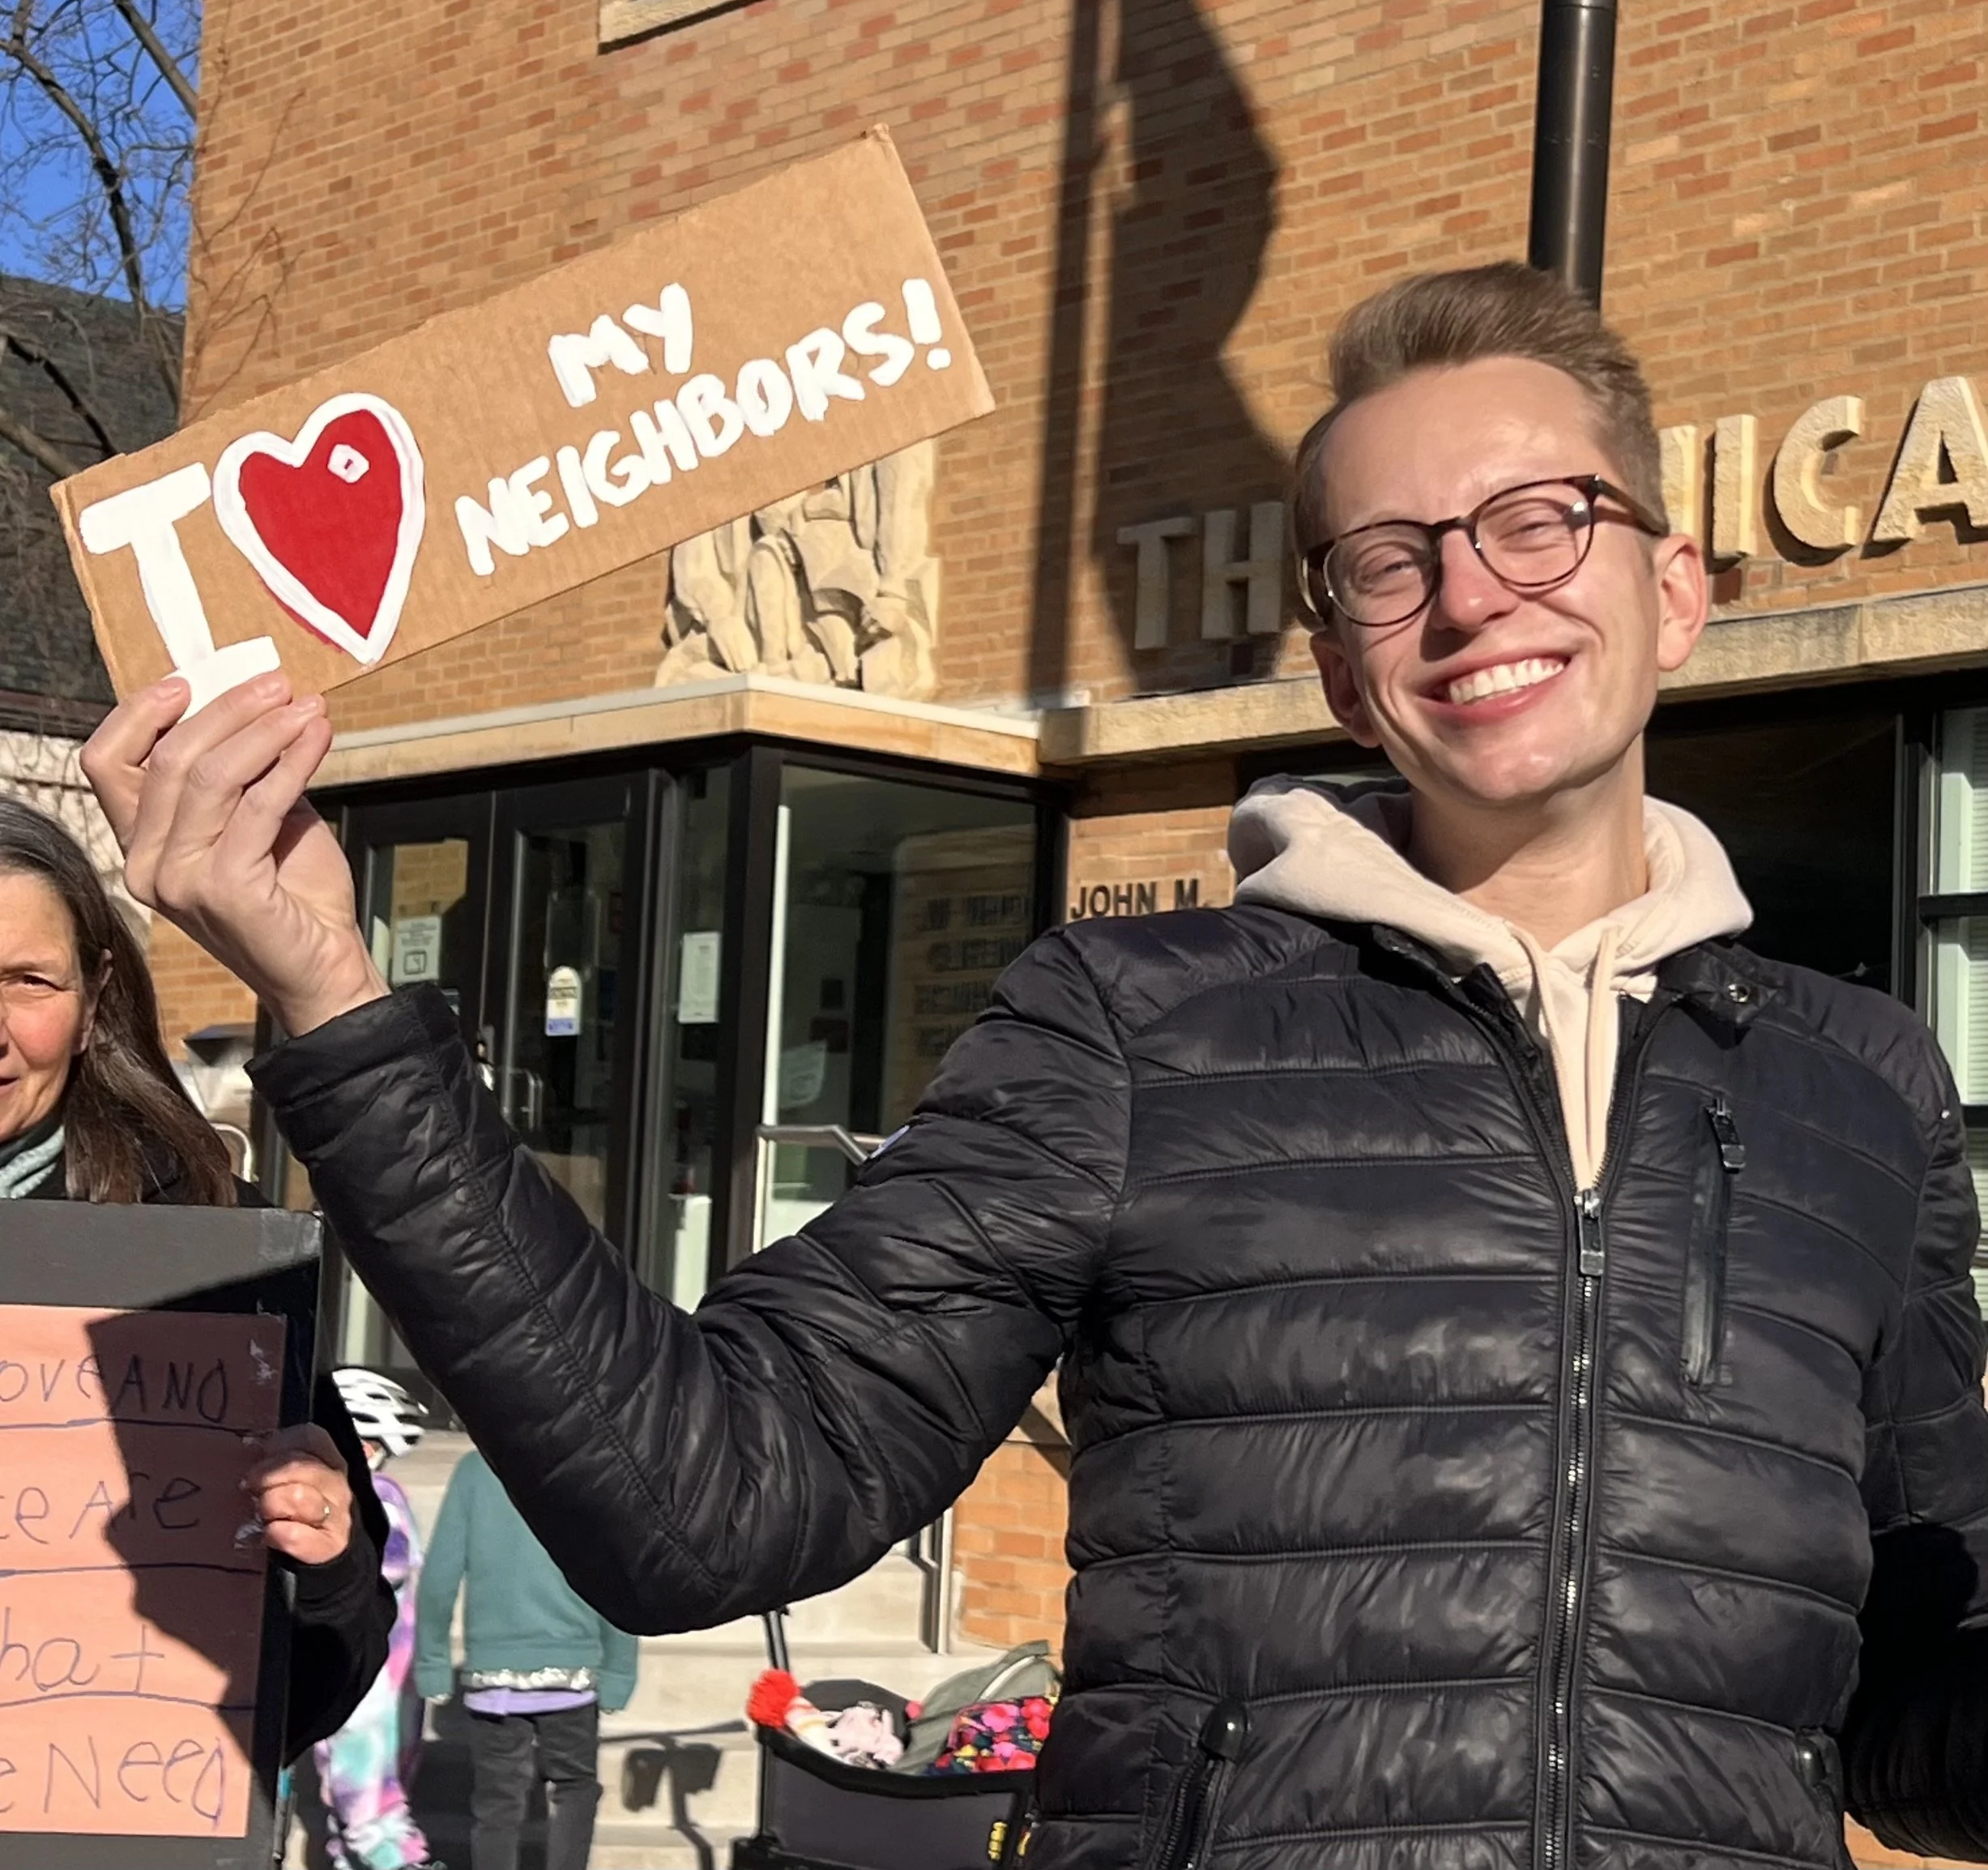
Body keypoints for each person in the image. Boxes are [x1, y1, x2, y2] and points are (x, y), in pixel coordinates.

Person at [80, 262, 1988, 1870]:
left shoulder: (1863, 1087)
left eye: (1538, 519)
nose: (1474, 596)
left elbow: (1902, 1696)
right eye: (1388, 562)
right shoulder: (1139, 1024)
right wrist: (334, 986)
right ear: (1341, 667)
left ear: (1675, 588)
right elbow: (701, 1496)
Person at [0, 795, 394, 1760]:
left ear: (94, 1000)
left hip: (98, 1796)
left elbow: (321, 1676)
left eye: (26, 980)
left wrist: (327, 1566)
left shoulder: (211, 1251)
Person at [415, 1446, 638, 1870]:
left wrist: (433, 1662)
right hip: (572, 1674)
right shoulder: (592, 1466)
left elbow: (440, 1573)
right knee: (575, 1787)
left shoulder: (476, 1470)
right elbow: (620, 1575)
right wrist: (619, 1668)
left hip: (493, 1677)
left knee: (497, 1804)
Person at [310, 1368, 440, 1869]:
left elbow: (388, 1563)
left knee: (366, 1809)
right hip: (375, 1678)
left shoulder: (374, 1498)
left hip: (371, 1680)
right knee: (361, 1812)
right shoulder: (376, 1497)